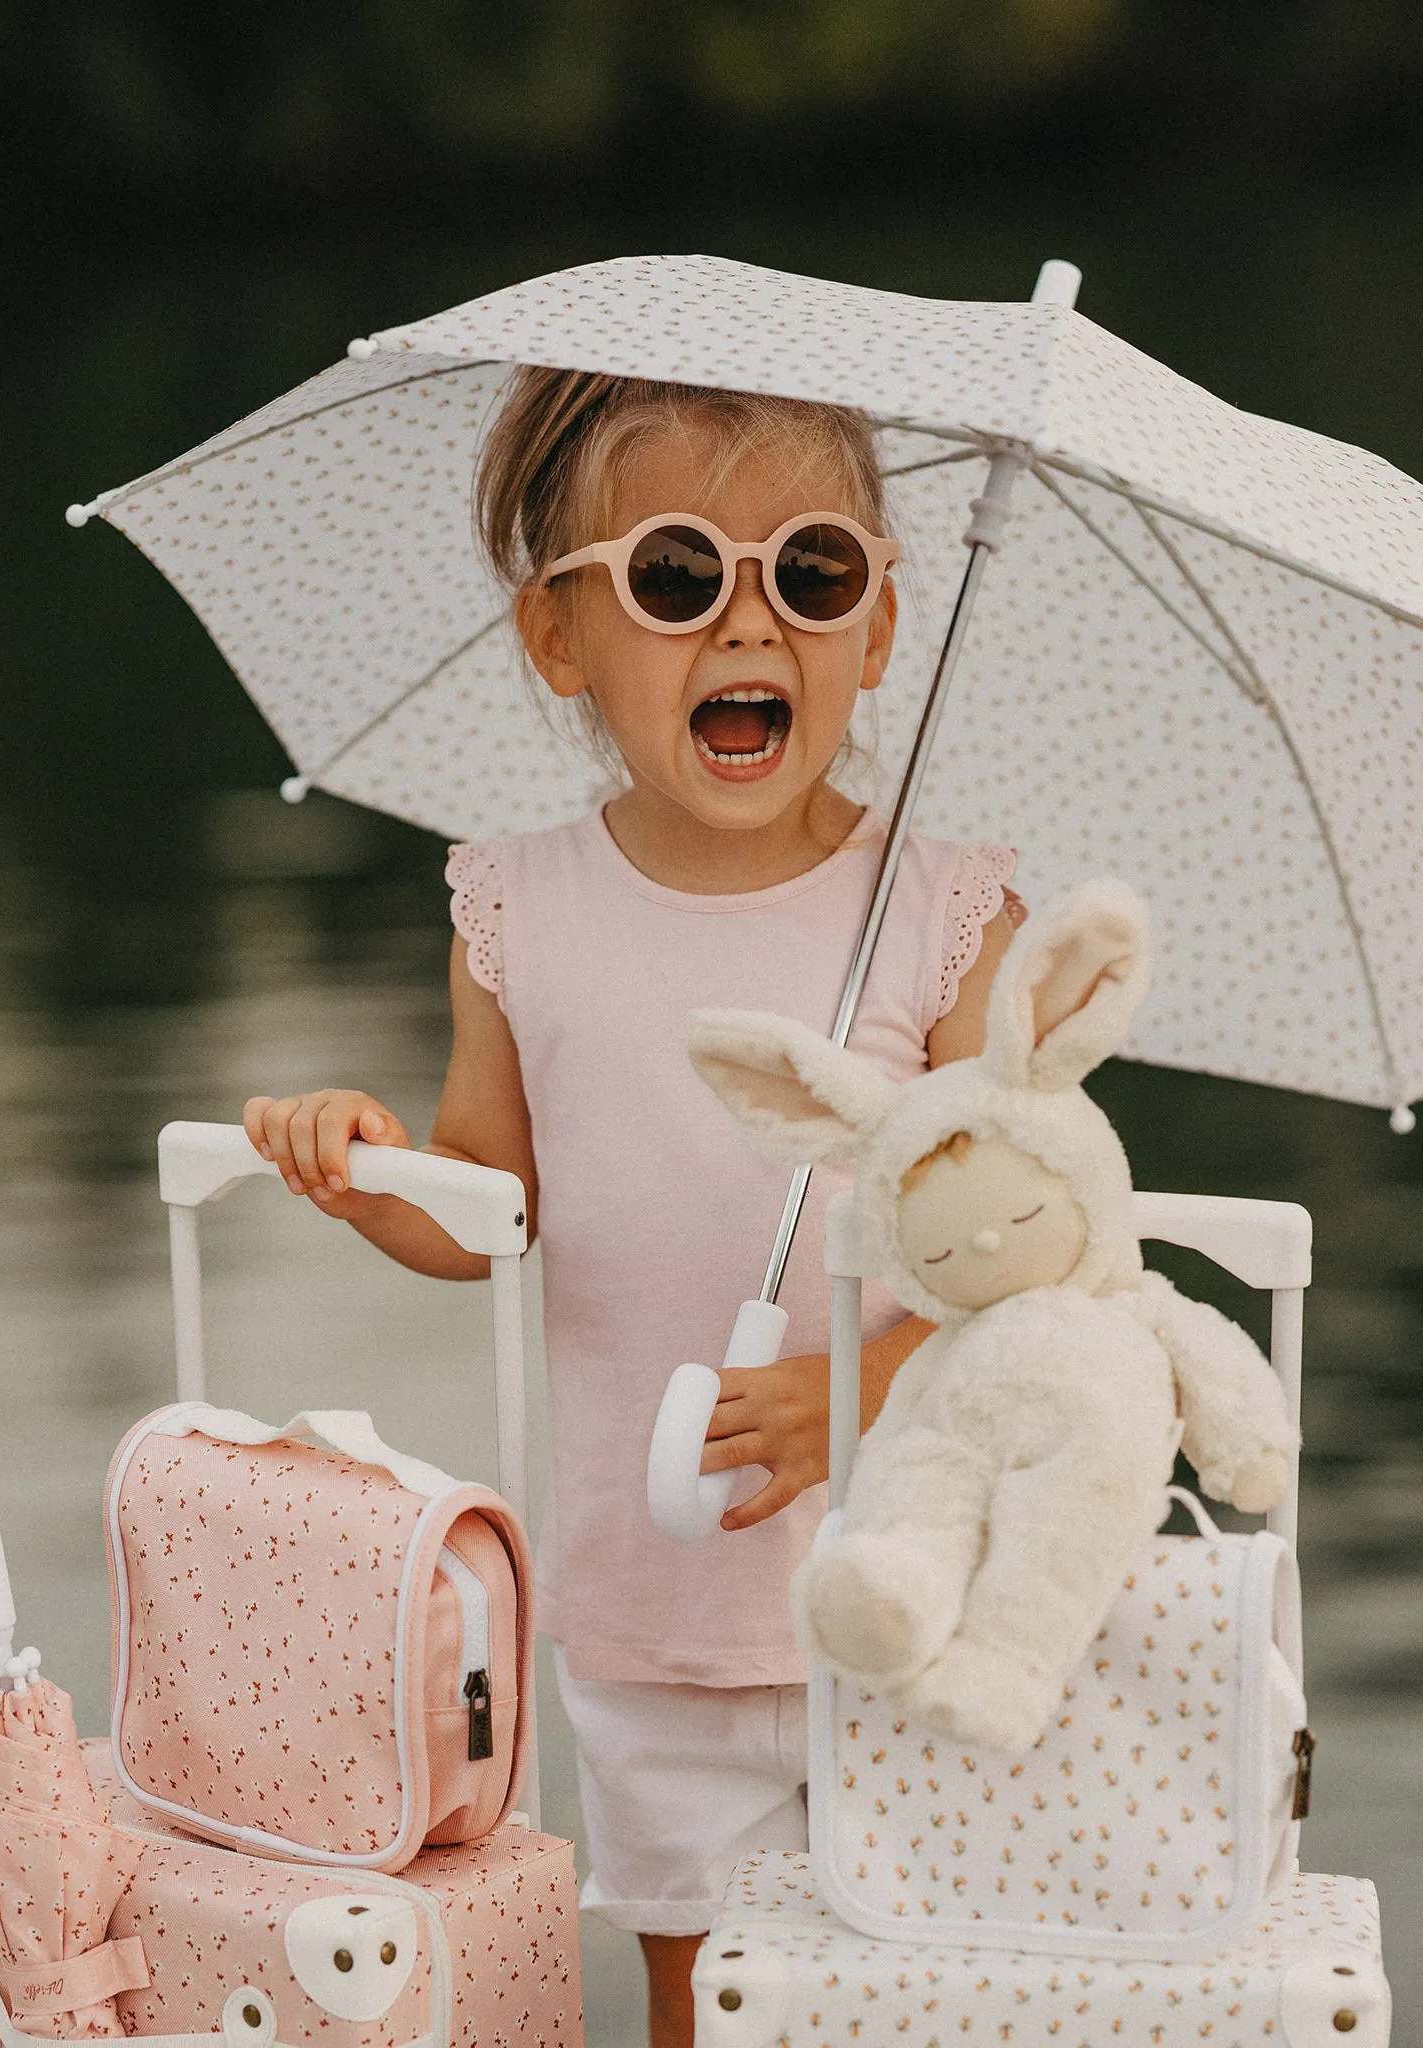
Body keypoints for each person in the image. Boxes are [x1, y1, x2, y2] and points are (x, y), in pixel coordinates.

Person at [244, 369, 1018, 2048]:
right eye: (676, 577)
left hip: (912, 1584)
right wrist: (364, 1163)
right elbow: (487, 1213)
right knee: (704, 1995)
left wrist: (850, 1394)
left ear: (880, 629)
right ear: (561, 636)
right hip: (654, 1589)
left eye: (810, 575)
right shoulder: (518, 905)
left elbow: (1034, 1269)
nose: (750, 623)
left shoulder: (945, 914)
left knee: (930, 1986)